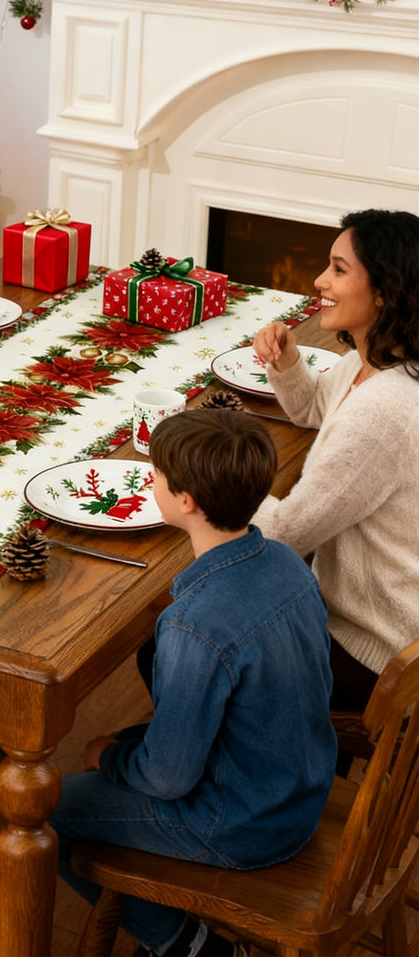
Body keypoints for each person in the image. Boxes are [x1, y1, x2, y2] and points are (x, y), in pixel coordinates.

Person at [51, 409, 337, 957]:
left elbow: (168, 778)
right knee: (145, 699)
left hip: (240, 824)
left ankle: (187, 943)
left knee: (47, 810)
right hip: (299, 790)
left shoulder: (194, 626)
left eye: (155, 473)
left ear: (185, 501)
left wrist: (109, 756)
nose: (149, 479)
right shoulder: (285, 561)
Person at [252, 208, 419, 713]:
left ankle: (233, 775)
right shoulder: (378, 364)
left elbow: (280, 537)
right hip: (376, 629)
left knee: (168, 646)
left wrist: (213, 482)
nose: (321, 280)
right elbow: (314, 407)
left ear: (386, 292)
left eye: (339, 269)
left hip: (376, 656)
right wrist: (287, 362)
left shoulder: (386, 410)